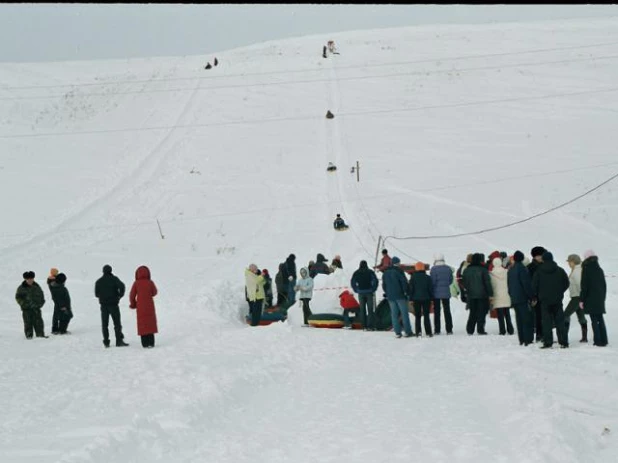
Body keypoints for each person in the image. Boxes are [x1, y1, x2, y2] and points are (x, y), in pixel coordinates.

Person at [532, 251, 569, 349]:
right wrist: (560, 291)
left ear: (543, 259)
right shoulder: (560, 270)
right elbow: (566, 283)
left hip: (544, 300)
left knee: (546, 322)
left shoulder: (539, 271)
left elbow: (534, 286)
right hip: (557, 299)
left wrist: (537, 295)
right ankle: (564, 342)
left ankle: (548, 342)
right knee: (560, 321)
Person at [95, 265, 129, 348]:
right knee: (117, 323)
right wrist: (119, 295)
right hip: (114, 304)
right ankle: (119, 341)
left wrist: (102, 296)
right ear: (111, 270)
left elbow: (96, 294)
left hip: (103, 305)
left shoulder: (99, 281)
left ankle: (106, 342)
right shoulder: (114, 279)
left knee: (105, 324)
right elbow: (122, 286)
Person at [580, 250, 608, 347]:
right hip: (599, 298)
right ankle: (604, 339)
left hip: (590, 298)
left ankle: (598, 340)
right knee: (600, 318)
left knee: (594, 320)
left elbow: (584, 286)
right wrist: (602, 297)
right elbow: (604, 286)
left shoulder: (586, 269)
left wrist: (582, 299)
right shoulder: (599, 269)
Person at [507, 251, 534, 346]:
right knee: (526, 319)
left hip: (514, 298)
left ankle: (521, 339)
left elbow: (509, 285)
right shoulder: (523, 269)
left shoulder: (511, 269)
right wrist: (531, 296)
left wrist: (511, 295)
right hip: (522, 297)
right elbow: (526, 284)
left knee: (519, 319)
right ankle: (528, 339)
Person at [382, 257, 413, 338]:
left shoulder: (386, 273)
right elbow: (404, 283)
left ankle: (397, 332)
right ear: (397, 263)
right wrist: (406, 292)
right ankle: (408, 331)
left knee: (394, 315)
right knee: (404, 314)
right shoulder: (399, 271)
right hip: (400, 296)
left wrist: (387, 293)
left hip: (391, 297)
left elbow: (384, 285)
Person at [462, 253, 492, 335]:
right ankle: (480, 329)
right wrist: (490, 293)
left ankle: (470, 329)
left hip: (471, 294)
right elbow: (487, 283)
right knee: (482, 312)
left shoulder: (466, 270)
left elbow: (464, 283)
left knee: (472, 312)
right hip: (483, 295)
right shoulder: (483, 270)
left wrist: (467, 291)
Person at [129, 265, 159, 348]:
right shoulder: (150, 282)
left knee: (142, 323)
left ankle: (145, 343)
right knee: (150, 323)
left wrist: (133, 304)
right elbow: (155, 292)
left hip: (140, 306)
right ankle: (151, 342)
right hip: (150, 305)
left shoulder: (136, 283)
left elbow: (132, 295)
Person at [15, 271, 47, 339]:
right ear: (25, 279)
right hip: (27, 310)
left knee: (39, 323)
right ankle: (29, 337)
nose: (30, 280)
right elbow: (18, 298)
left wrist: (41, 303)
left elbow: (41, 295)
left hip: (36, 309)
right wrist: (24, 304)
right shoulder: (21, 288)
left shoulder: (37, 286)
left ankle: (40, 335)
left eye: (31, 279)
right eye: (28, 279)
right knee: (28, 324)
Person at [564, 254, 588, 343]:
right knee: (581, 316)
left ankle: (564, 336)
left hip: (577, 297)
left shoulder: (577, 271)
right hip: (578, 297)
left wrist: (581, 298)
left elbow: (579, 284)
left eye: (569, 262)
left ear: (573, 262)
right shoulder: (576, 269)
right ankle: (584, 337)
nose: (568, 264)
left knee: (565, 315)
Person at [351, 260, 379, 330]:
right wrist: (373, 289)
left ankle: (363, 326)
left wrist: (356, 289)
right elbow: (375, 281)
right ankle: (370, 325)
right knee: (370, 309)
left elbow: (353, 282)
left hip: (360, 293)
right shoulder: (370, 272)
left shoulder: (356, 272)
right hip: (369, 292)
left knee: (362, 310)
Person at [489, 257, 514, 335]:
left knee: (500, 315)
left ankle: (502, 330)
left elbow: (492, 286)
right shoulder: (506, 272)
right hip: (506, 295)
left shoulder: (491, 273)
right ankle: (510, 330)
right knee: (507, 313)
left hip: (497, 295)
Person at [430, 253, 454, 335]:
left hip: (436, 293)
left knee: (437, 312)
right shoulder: (448, 268)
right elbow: (450, 280)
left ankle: (437, 330)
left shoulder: (433, 269)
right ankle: (449, 329)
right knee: (447, 311)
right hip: (446, 293)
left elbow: (432, 282)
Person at [408, 261, 433, 337]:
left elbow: (411, 289)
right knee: (426, 316)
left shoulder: (413, 278)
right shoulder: (428, 278)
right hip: (426, 298)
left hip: (416, 299)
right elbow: (430, 289)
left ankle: (418, 332)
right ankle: (428, 332)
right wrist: (431, 298)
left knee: (418, 316)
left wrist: (410, 299)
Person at [528, 246, 546, 342]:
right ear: (535, 256)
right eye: (539, 256)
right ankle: (539, 335)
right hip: (536, 296)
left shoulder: (543, 265)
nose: (541, 257)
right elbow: (529, 283)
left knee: (543, 316)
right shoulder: (531, 267)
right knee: (538, 316)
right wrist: (533, 296)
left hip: (544, 295)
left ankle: (542, 334)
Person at [47, 267, 60, 334]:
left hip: (56, 298)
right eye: (56, 272)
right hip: (56, 298)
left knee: (57, 313)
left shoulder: (52, 279)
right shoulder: (52, 280)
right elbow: (58, 286)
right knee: (56, 314)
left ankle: (56, 328)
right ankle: (55, 329)